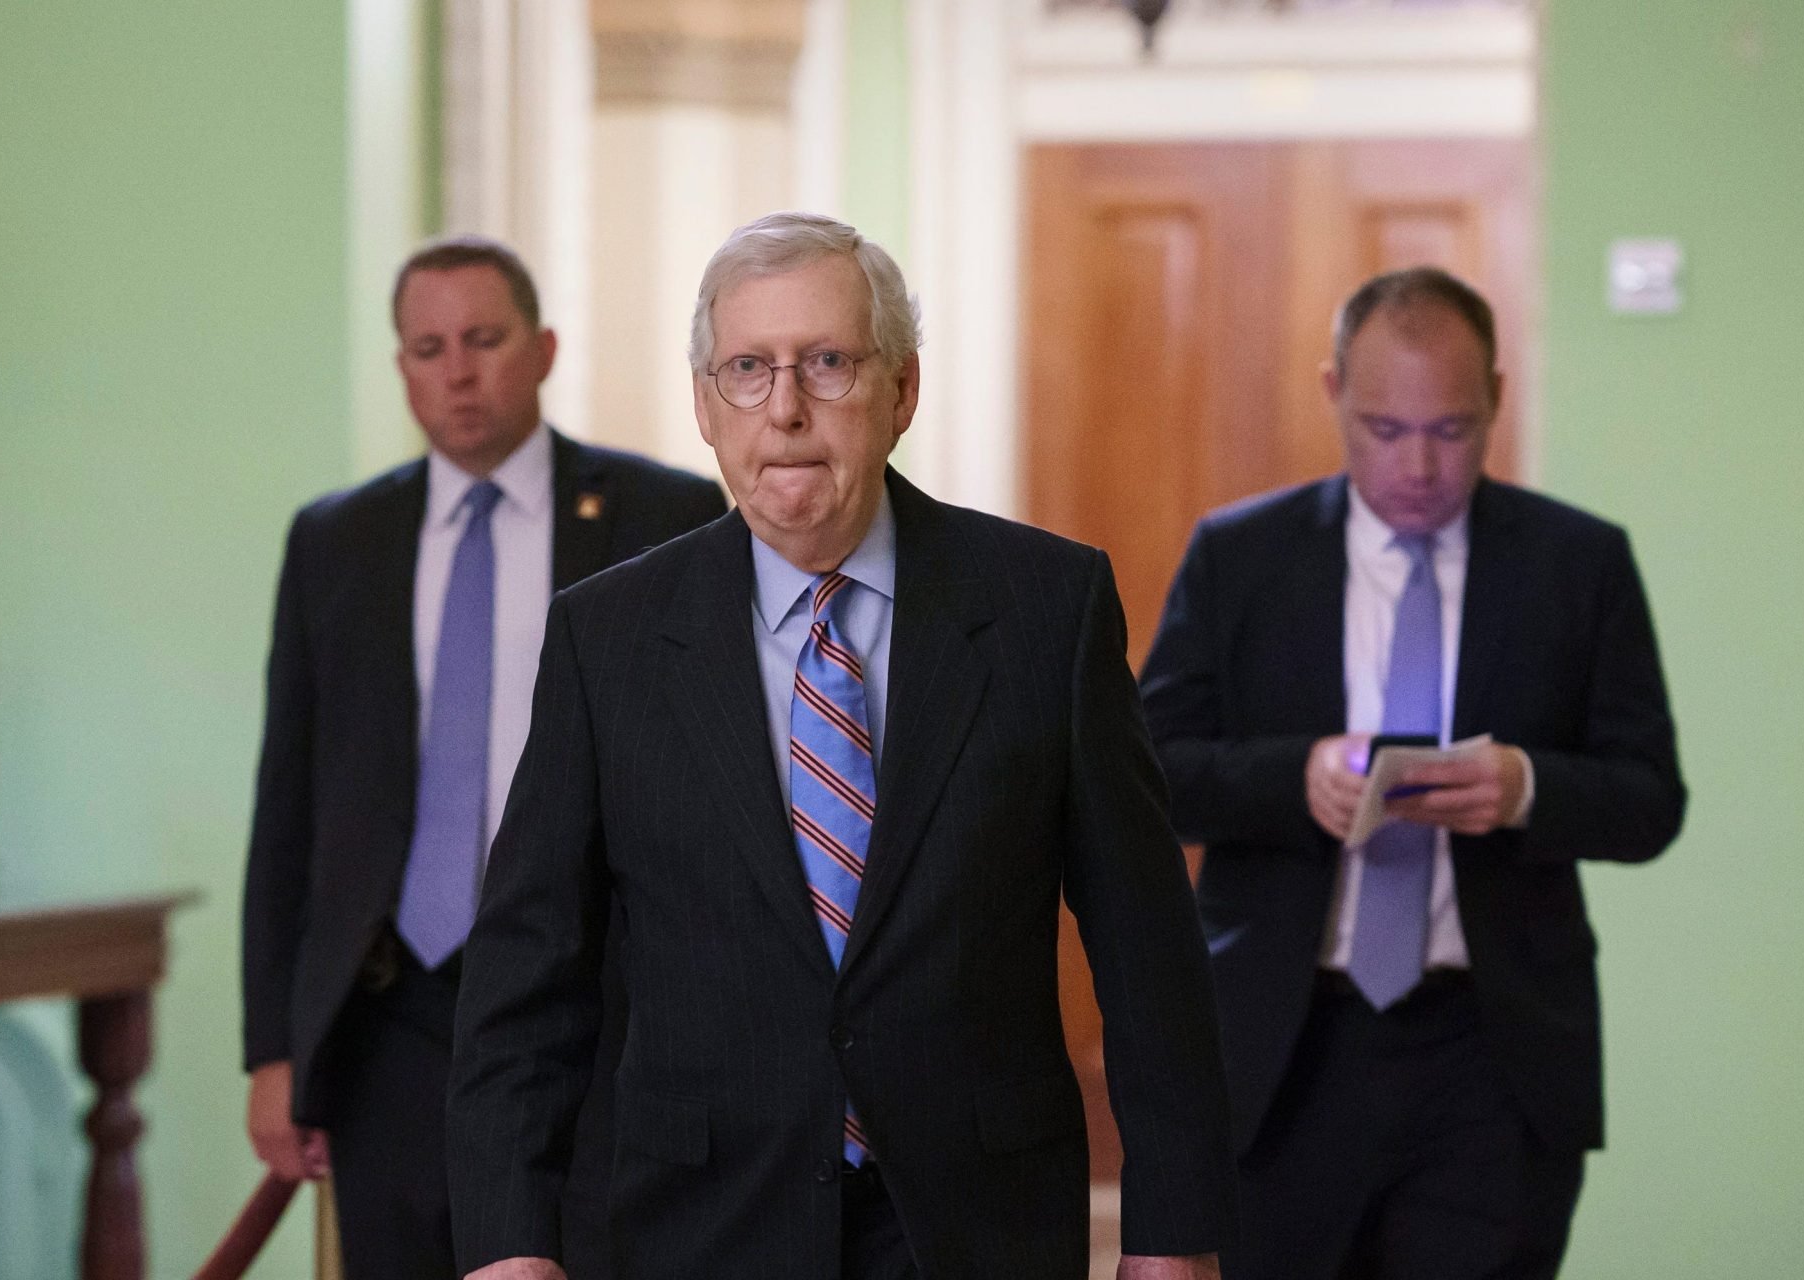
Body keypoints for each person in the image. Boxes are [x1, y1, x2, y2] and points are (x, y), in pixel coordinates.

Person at [447, 212, 1236, 1280]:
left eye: (826, 363)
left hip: (977, 1223)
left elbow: (1148, 948)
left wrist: (1172, 1233)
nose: (784, 409)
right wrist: (506, 1241)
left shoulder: (1046, 608)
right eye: (747, 369)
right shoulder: (609, 637)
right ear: (703, 406)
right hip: (698, 1224)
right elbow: (525, 973)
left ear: (900, 390)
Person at [1138, 266, 1686, 1279]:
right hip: (1288, 1045)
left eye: (1452, 429)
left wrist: (1525, 787)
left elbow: (1651, 798)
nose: (1423, 465)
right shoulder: (1240, 557)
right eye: (1387, 429)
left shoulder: (1579, 563)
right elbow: (1148, 779)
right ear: (1332, 390)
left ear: (1498, 402)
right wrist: (1294, 775)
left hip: (1493, 1047)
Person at [239, 235, 727, 1280]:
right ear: (402, 366)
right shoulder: (335, 539)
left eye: (483, 339)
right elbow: (288, 802)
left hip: (592, 1002)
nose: (456, 371)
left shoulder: (662, 518)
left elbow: (706, 790)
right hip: (389, 1012)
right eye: (427, 347)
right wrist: (273, 1047)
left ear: (542, 348)